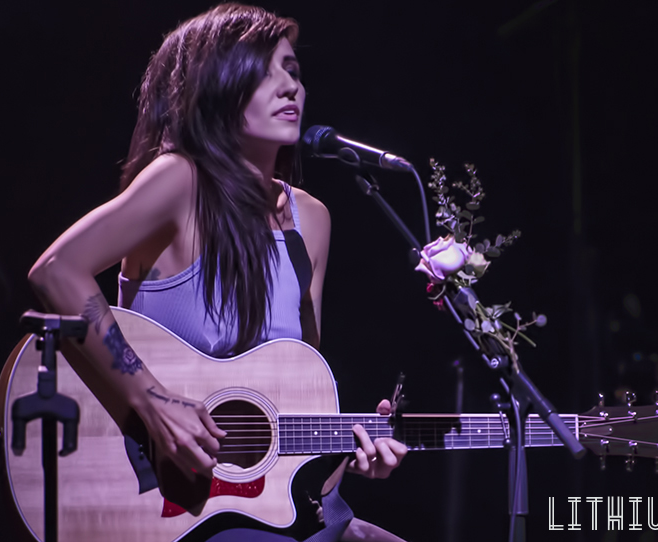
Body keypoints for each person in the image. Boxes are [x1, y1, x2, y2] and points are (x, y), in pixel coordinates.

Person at [28, 4, 407, 541]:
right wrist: (153, 401)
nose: (290, 87)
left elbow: (293, 405)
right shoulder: (179, 183)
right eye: (266, 72)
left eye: (293, 71)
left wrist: (354, 447)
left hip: (267, 508)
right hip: (170, 500)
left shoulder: (312, 220)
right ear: (216, 87)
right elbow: (56, 270)